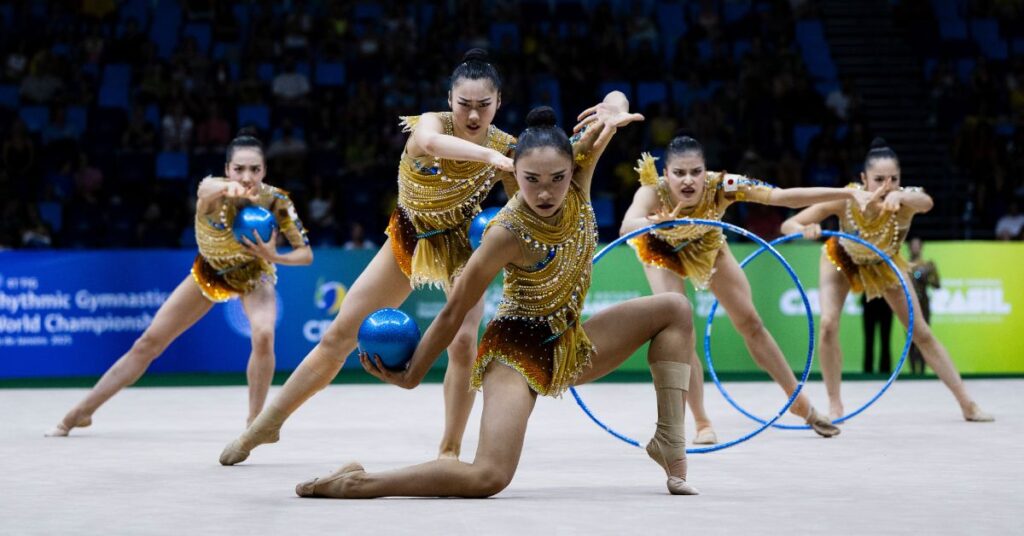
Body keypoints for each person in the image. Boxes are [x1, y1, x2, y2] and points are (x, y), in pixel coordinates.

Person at [295, 99, 705, 500]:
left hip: (570, 342)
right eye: (531, 180)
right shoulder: (504, 232)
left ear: (572, 168)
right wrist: (414, 372)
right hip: (516, 351)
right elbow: (454, 311)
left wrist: (613, 109)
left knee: (675, 309)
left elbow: (616, 101)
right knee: (489, 476)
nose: (545, 192)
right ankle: (358, 483)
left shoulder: (579, 181)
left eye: (557, 179)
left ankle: (669, 440)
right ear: (515, 172)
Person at [219, 49, 517, 465]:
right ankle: (266, 424)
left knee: (465, 342)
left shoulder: (507, 147)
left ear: (498, 102)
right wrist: (491, 156)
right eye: (464, 104)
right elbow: (432, 143)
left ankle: (449, 450)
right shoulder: (430, 126)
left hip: (465, 250)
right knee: (338, 337)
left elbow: (530, 200)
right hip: (412, 238)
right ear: (450, 99)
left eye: (483, 106)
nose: (472, 116)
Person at [47, 132, 313, 436]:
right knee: (147, 344)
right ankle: (81, 413)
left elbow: (306, 254)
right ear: (228, 168)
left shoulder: (275, 200)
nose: (247, 175)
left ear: (264, 171)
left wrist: (274, 255)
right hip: (210, 271)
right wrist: (233, 187)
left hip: (254, 273)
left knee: (264, 335)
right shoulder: (212, 192)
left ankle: (255, 424)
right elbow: (204, 187)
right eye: (239, 168)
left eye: (255, 169)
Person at [618, 136, 874, 442]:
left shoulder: (722, 185)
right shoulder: (652, 190)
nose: (688, 180)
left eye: (696, 172)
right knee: (681, 335)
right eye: (679, 173)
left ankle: (799, 403)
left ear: (706, 170)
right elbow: (626, 226)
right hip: (661, 250)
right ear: (667, 172)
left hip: (707, 246)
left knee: (752, 324)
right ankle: (701, 422)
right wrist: (654, 222)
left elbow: (783, 198)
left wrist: (845, 193)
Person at [780, 138, 993, 422]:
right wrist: (806, 229)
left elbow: (926, 202)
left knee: (921, 333)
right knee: (829, 325)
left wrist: (901, 197)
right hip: (842, 259)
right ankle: (835, 404)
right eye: (878, 179)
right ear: (863, 179)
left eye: (894, 179)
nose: (886, 185)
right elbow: (788, 224)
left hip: (885, 263)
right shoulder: (846, 198)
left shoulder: (905, 200)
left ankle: (967, 404)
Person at [907, 237, 940, 375]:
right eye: (912, 245)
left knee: (924, 337)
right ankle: (913, 371)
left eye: (917, 245)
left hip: (923, 304)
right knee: (910, 339)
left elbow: (937, 284)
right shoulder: (905, 266)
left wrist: (927, 277)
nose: (915, 248)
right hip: (909, 304)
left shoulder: (928, 265)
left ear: (921, 247)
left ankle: (922, 371)